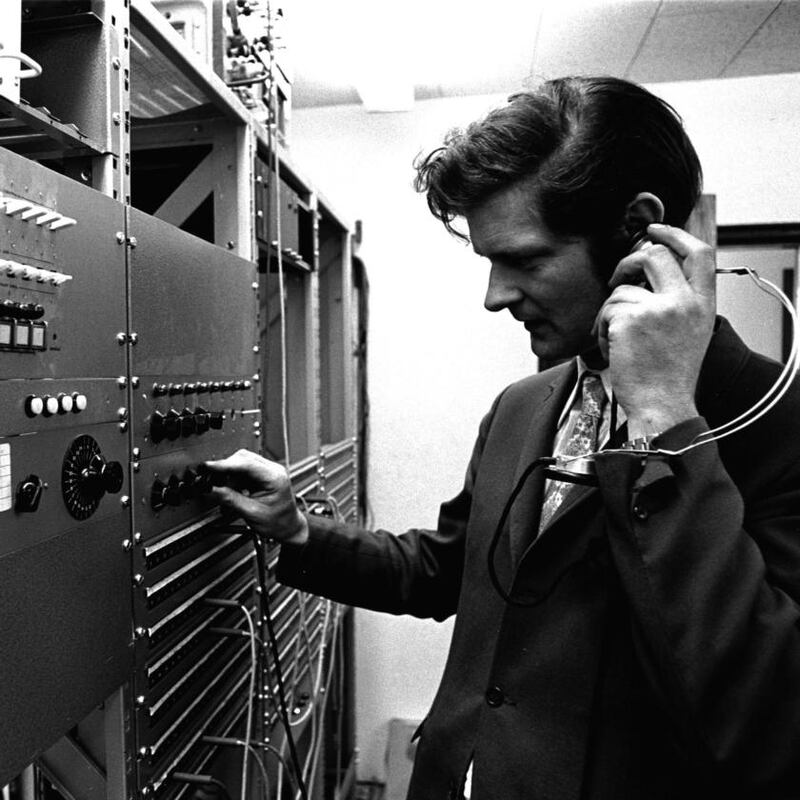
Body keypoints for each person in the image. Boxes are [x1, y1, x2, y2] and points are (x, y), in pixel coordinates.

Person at [204, 76, 800, 799]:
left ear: (637, 232)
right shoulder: (524, 407)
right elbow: (445, 571)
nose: (495, 296)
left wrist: (667, 420)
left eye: (524, 259)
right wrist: (297, 530)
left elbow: (767, 726)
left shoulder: (775, 421)